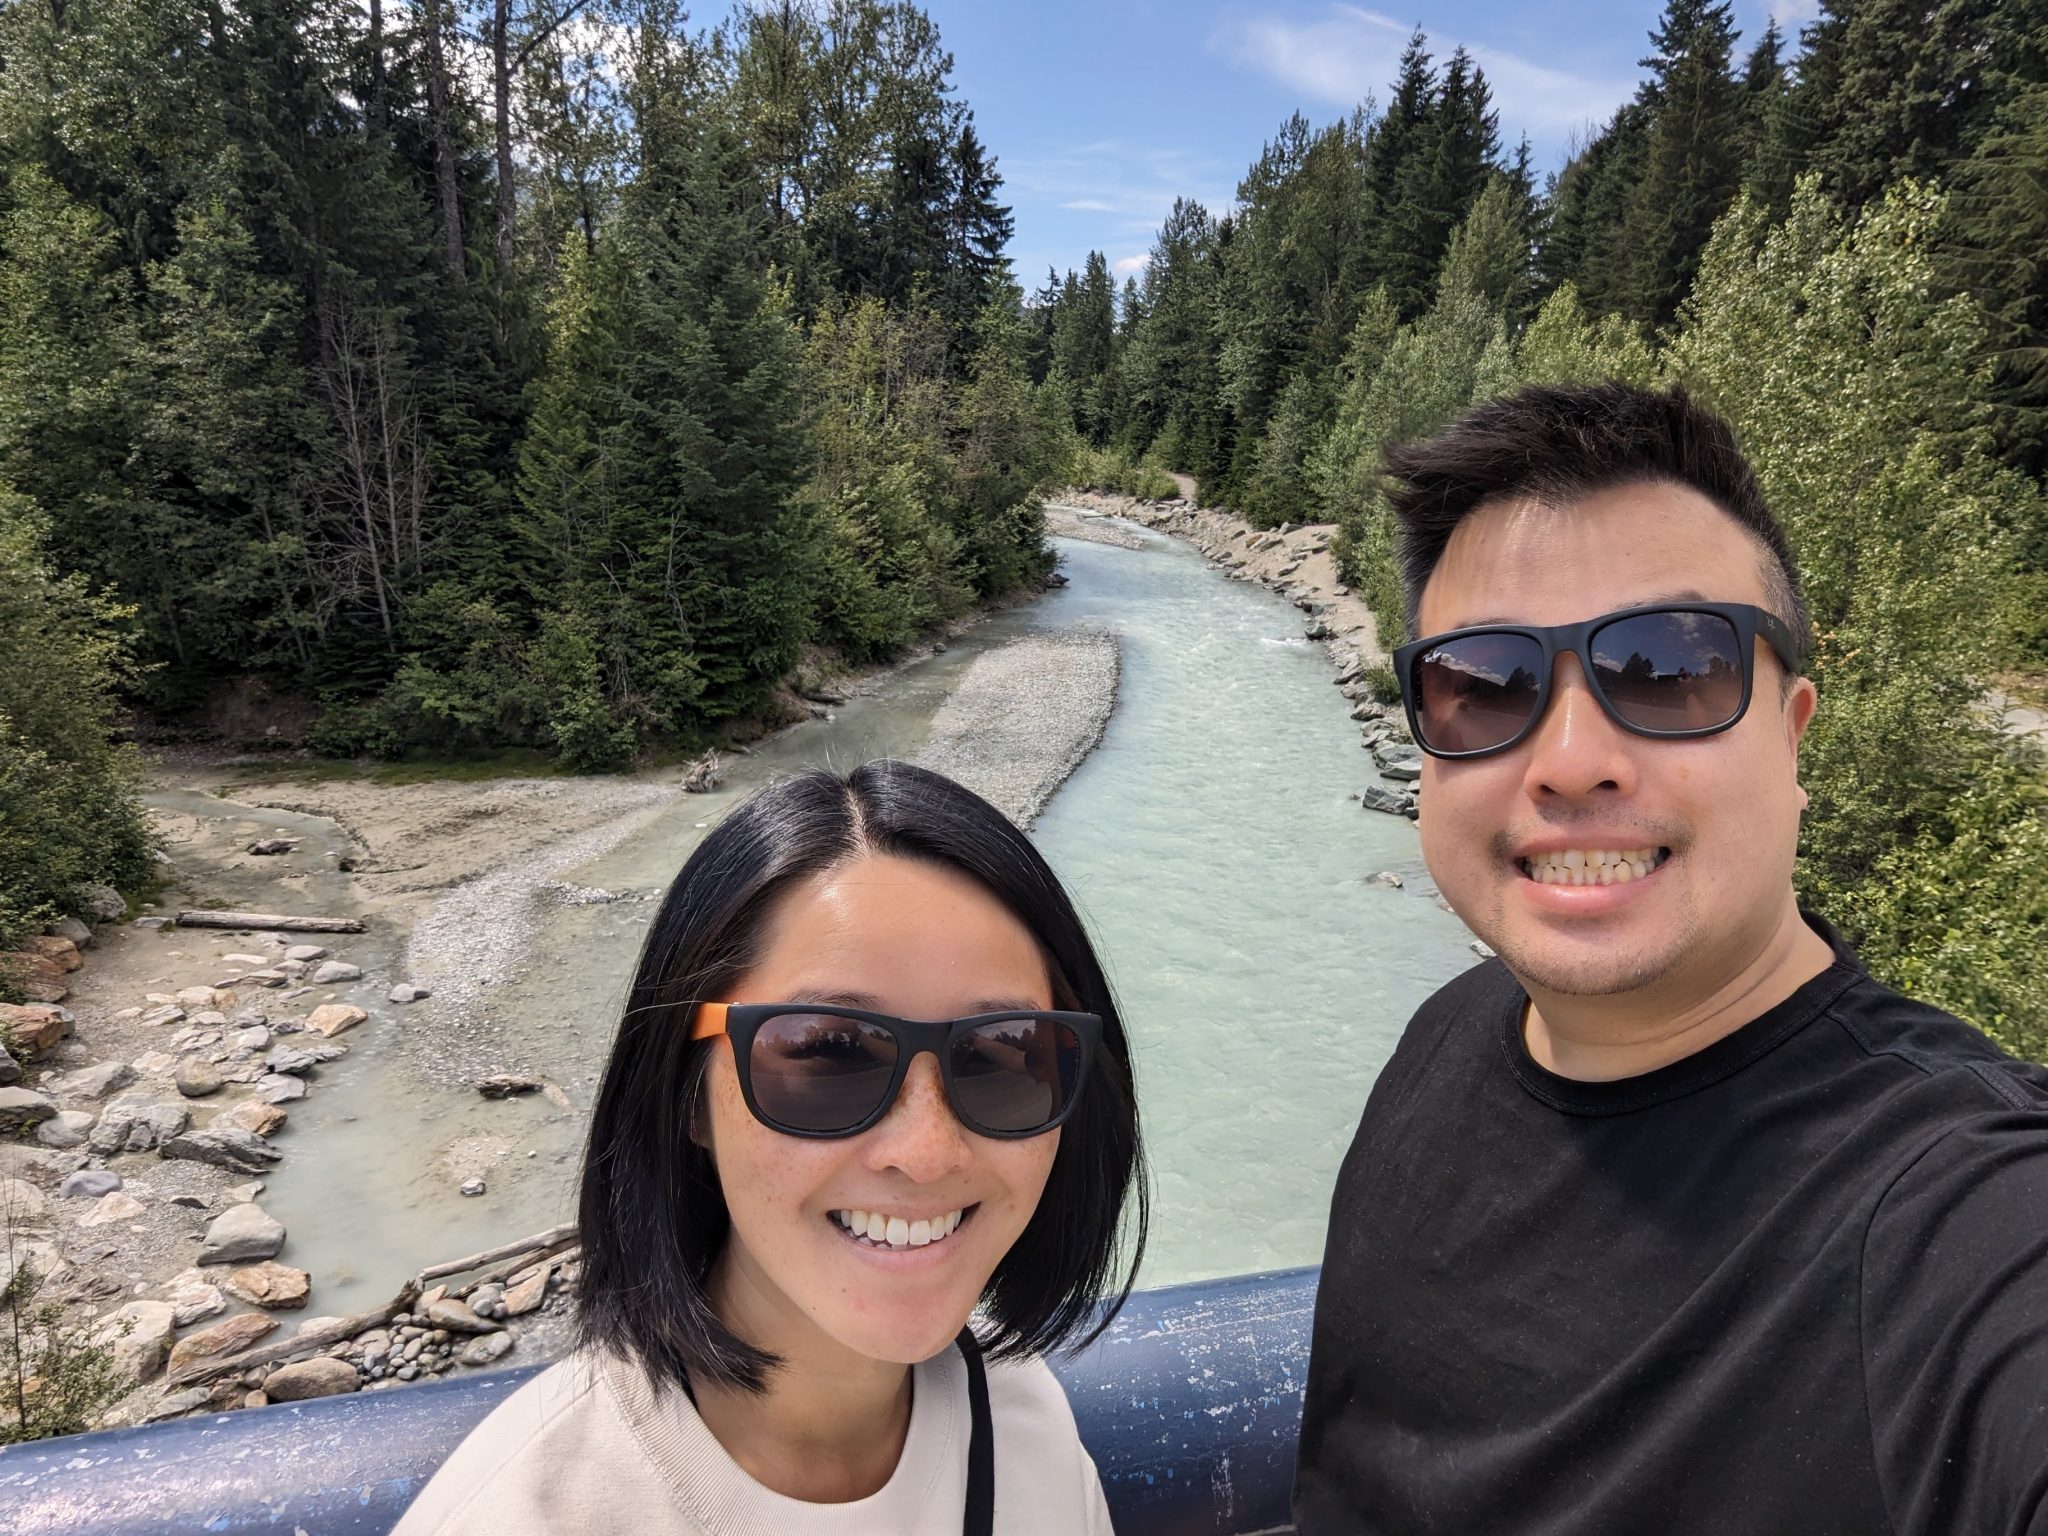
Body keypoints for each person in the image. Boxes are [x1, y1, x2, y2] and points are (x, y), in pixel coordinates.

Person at [1294, 383, 2048, 1534]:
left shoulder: (1952, 1206)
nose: (1570, 759)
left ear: (1791, 736)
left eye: (1666, 669)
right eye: (1482, 685)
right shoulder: (1445, 1032)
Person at [395, 761, 1145, 1536]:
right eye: (829, 1054)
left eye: (1003, 1054)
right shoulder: (527, 1513)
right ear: (686, 1092)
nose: (926, 1152)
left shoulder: (1026, 1427)